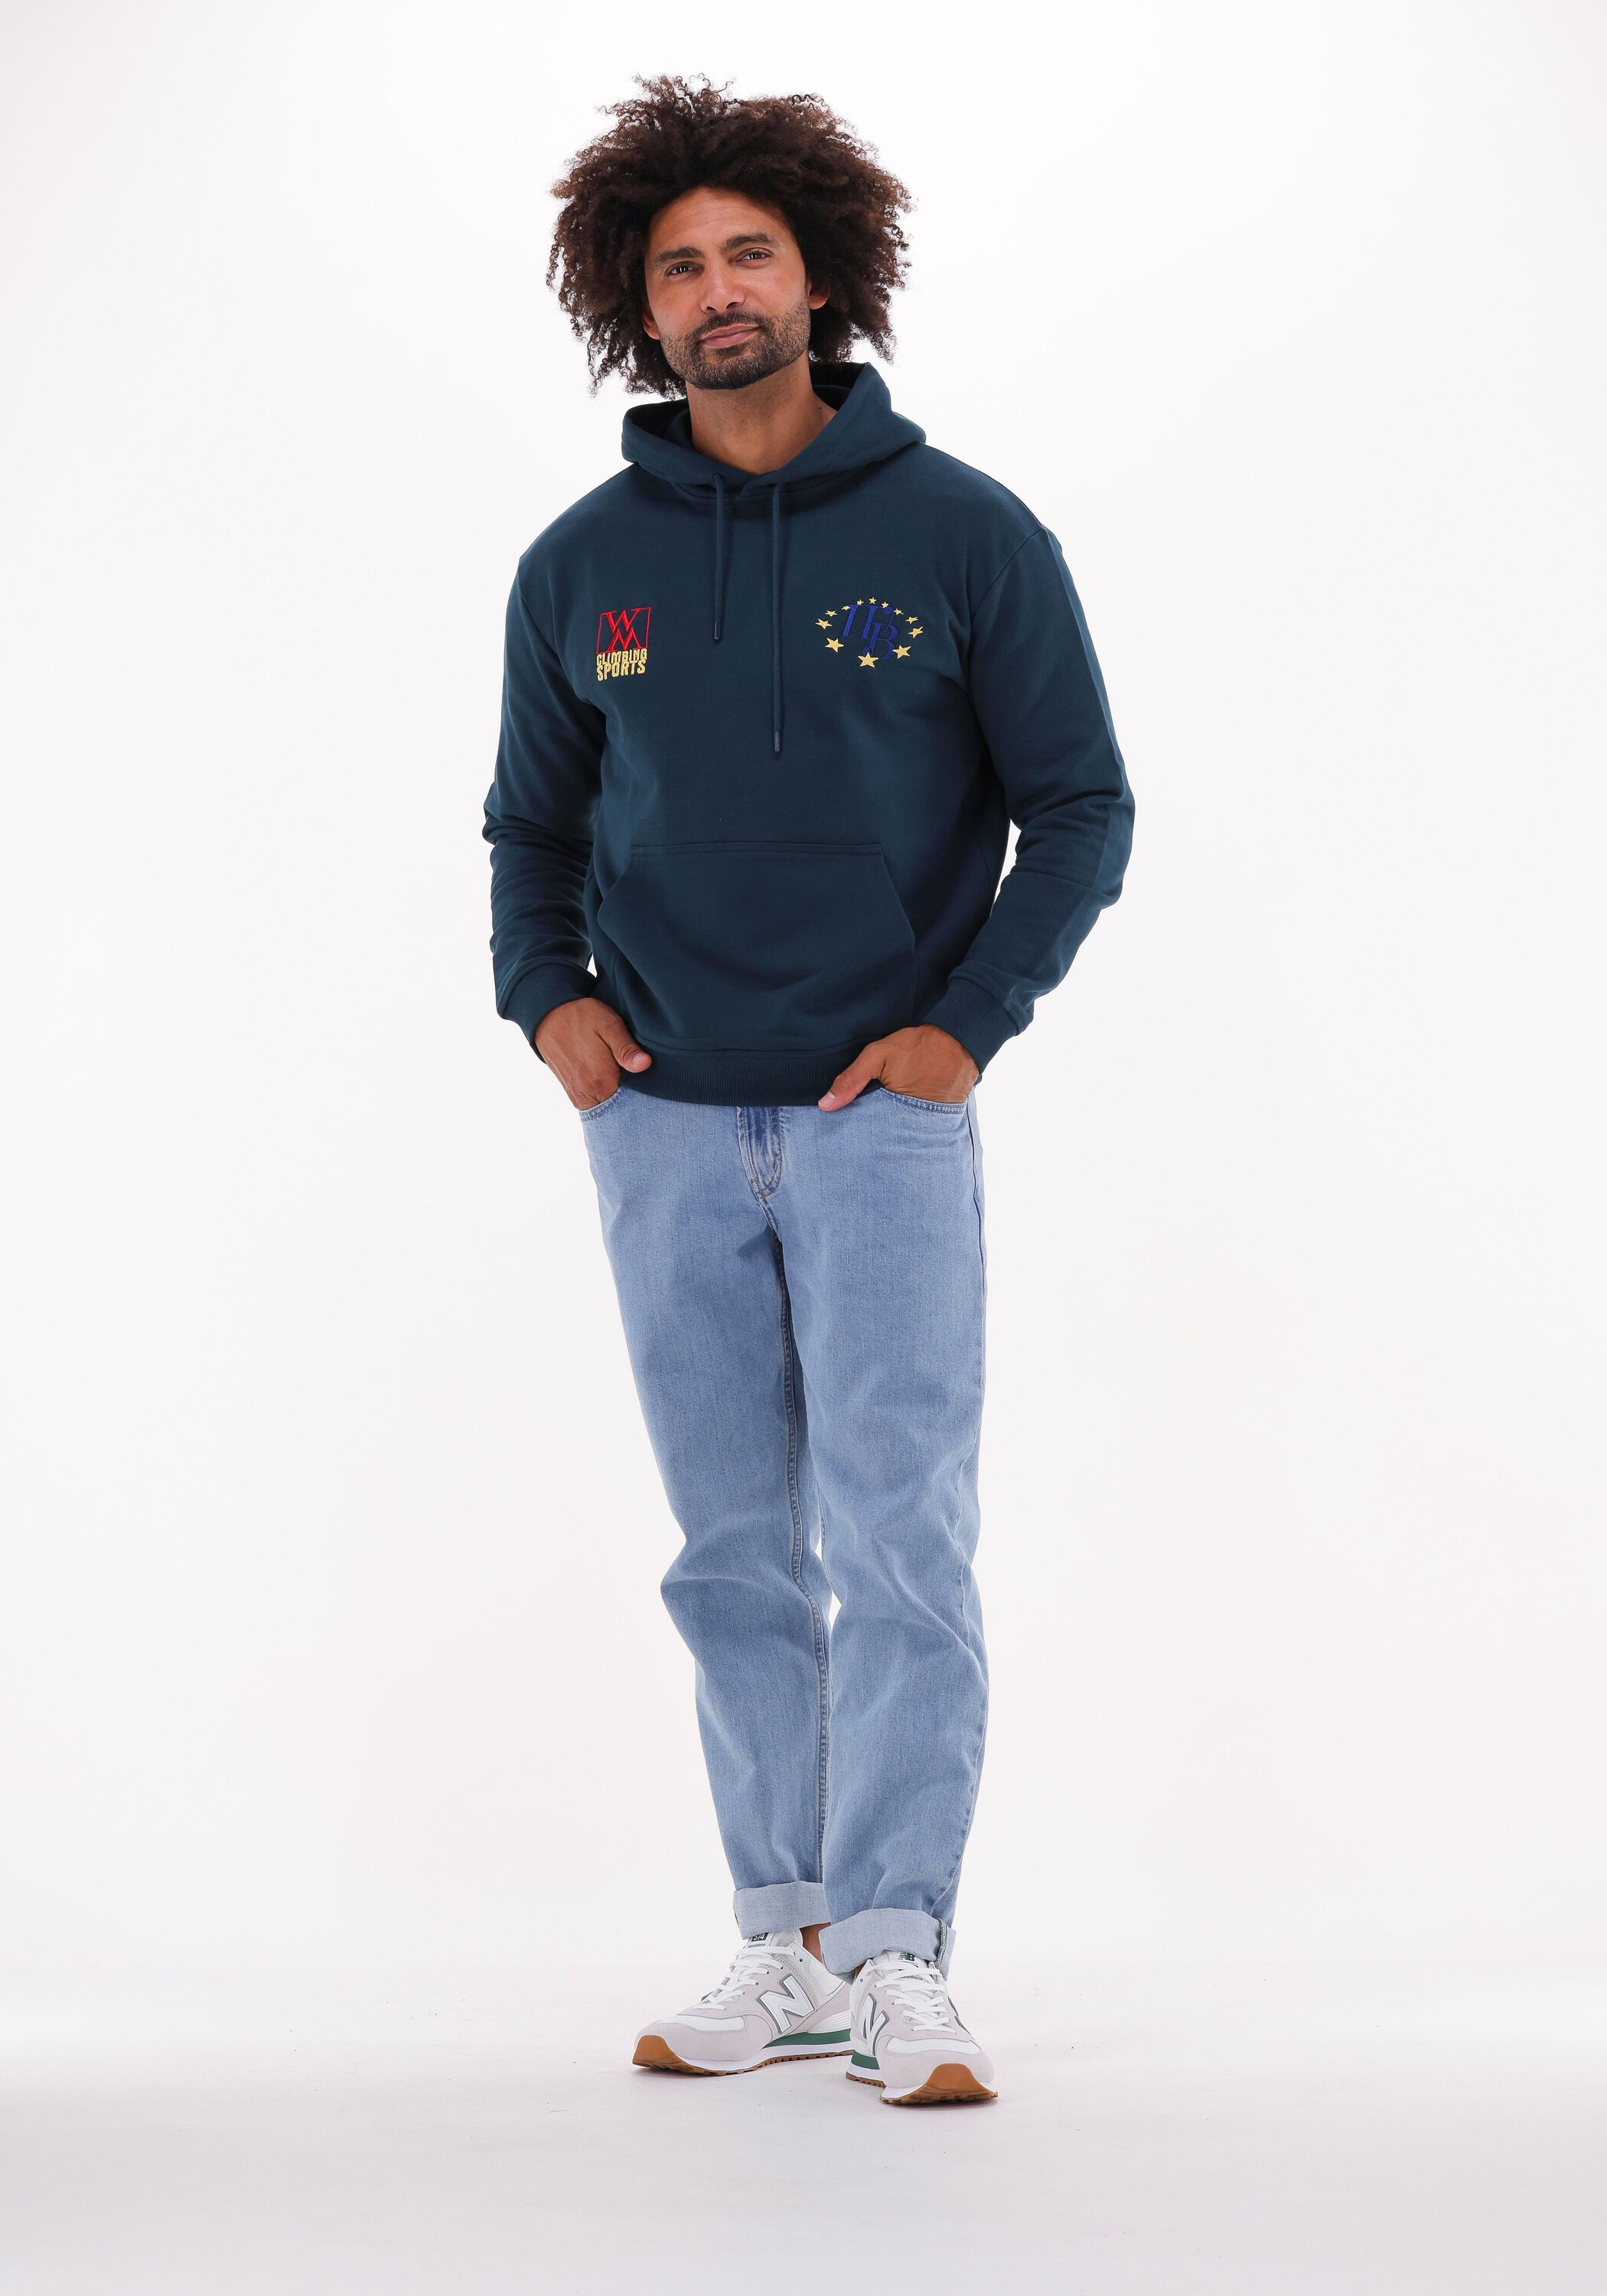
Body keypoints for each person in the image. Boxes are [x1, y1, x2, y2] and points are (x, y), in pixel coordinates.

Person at [483, 77, 1133, 2106]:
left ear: (820, 275)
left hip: (882, 1123)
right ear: (636, 307)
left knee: (899, 1535)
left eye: (747, 253)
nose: (717, 292)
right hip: (664, 1124)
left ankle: (899, 1947)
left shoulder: (965, 533)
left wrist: (966, 1028)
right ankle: (783, 1940)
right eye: (677, 267)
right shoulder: (580, 564)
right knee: (729, 1549)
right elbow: (529, 828)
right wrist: (545, 1001)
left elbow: (1081, 805)